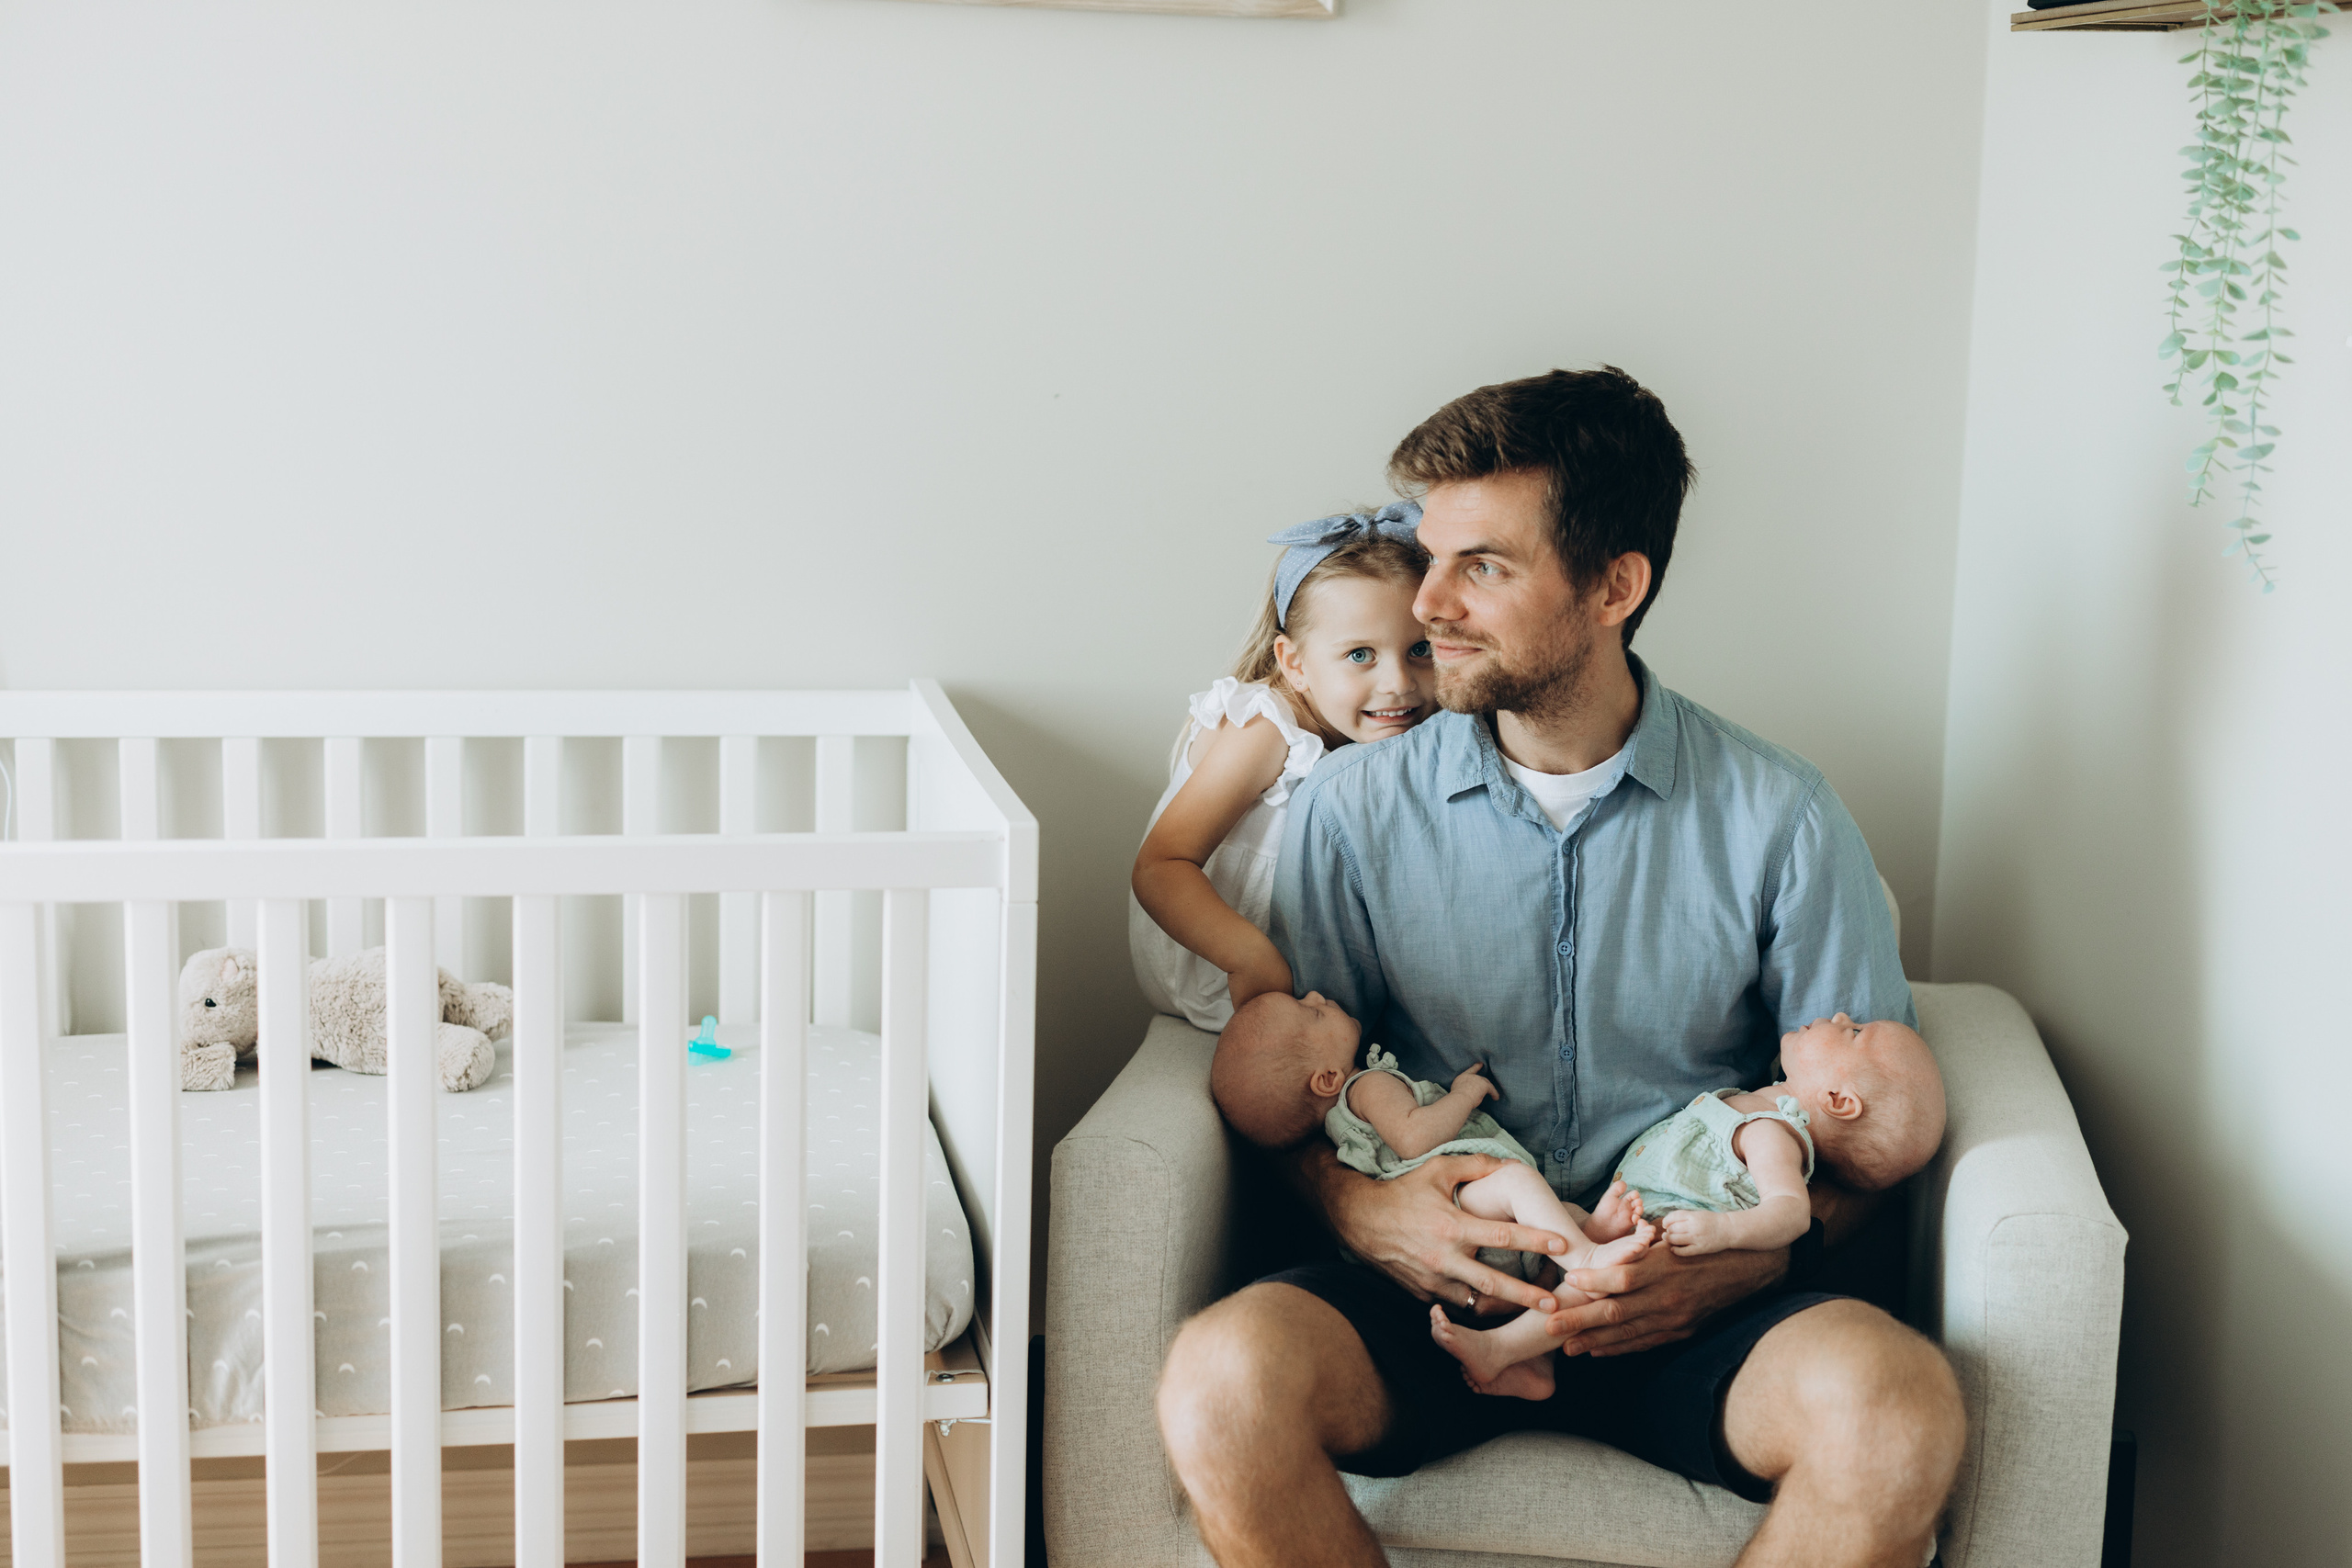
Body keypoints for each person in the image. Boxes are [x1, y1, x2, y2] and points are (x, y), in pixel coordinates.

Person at [1155, 367, 1965, 1568]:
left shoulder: (1782, 814)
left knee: (1896, 1406)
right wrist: (1371, 1214)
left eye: (1482, 564)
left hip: (1702, 1298)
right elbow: (1295, 1096)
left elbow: (1873, 1130)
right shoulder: (1356, 811)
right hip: (1439, 1290)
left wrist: (1744, 1264)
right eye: (1430, 557)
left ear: (1614, 585)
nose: (1429, 601)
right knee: (1220, 1378)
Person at [1427, 1010, 1946, 1401]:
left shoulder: (1775, 1133)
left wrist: (1722, 1233)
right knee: (1559, 1227)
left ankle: (1501, 1350)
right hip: (1634, 1214)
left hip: (1664, 1233)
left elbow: (1790, 1212)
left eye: (1854, 1033)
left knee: (1585, 1282)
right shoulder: (1761, 1107)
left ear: (1839, 1101)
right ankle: (1539, 1364)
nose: (1838, 1016)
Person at [1129, 506, 1436, 1033]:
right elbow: (1161, 866)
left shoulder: (1419, 730)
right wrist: (1249, 958)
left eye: (1420, 649)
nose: (1399, 683)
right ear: (1295, 664)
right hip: (1219, 962)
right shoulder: (1268, 729)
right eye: (1361, 654)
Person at [1210, 987, 1657, 1304]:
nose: (1314, 996)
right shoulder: (1366, 1087)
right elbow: (1414, 1136)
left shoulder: (1338, 1130)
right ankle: (1587, 1255)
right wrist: (1464, 1093)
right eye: (1310, 1014)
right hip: (1465, 1210)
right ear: (1327, 1079)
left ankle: (1575, 1252)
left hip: (1449, 1247)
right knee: (1519, 1183)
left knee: (1543, 1206)